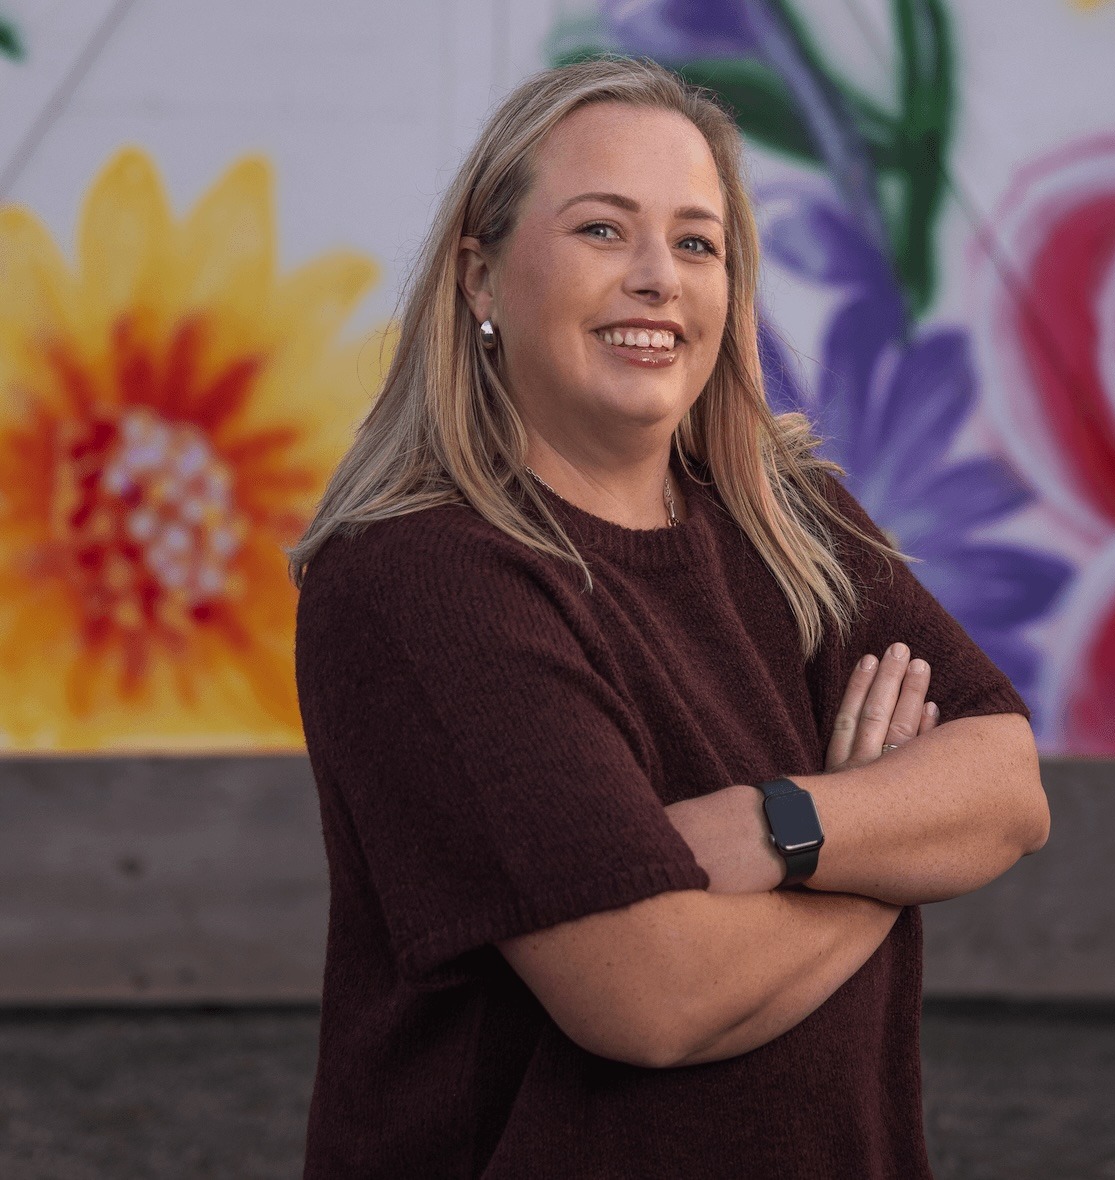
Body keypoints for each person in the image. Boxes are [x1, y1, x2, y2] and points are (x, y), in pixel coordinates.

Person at [289, 55, 1049, 1180]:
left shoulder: (790, 517)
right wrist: (881, 852)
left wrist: (774, 829)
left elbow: (1007, 786)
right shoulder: (421, 577)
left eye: (697, 244)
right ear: (479, 279)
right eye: (603, 230)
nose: (657, 278)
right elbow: (651, 994)